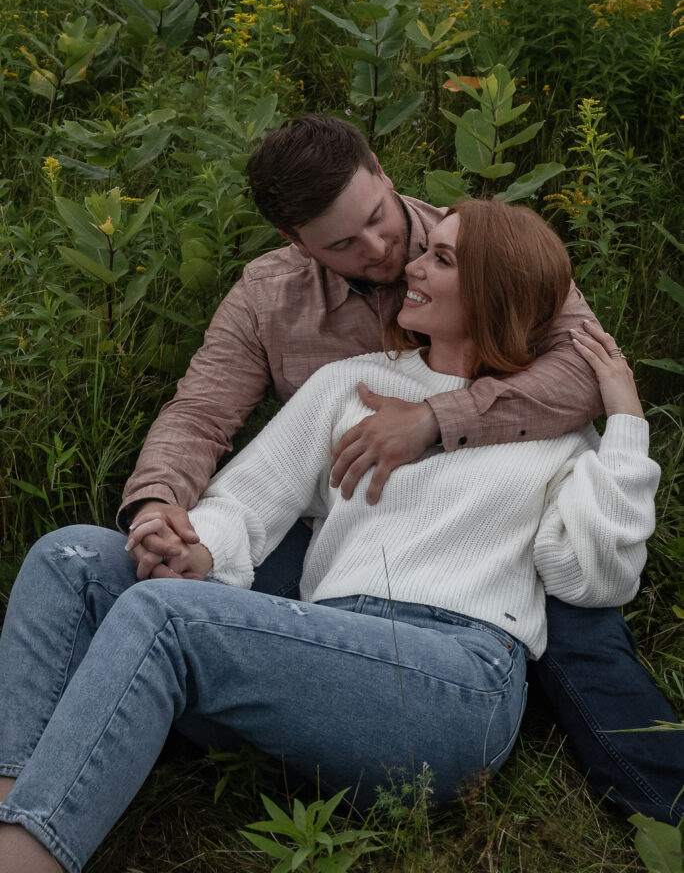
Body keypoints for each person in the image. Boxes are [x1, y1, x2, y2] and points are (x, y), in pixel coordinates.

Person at [0, 202, 662, 873]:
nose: (412, 266)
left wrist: (625, 423)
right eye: (424, 250)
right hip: (320, 648)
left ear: (495, 287)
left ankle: (26, 859)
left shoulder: (546, 425)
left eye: (442, 258)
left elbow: (595, 577)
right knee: (70, 556)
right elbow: (244, 505)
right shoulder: (351, 384)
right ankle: (9, 803)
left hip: (457, 681)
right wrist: (195, 548)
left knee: (163, 616)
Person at [121, 115, 683, 823]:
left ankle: (666, 809)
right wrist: (155, 504)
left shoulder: (480, 243)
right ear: (298, 243)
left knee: (583, 631)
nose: (384, 249)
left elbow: (583, 371)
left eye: (380, 219)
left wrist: (433, 420)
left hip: (494, 514)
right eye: (345, 245)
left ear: (382, 172)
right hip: (342, 520)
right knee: (183, 578)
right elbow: (199, 414)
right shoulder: (267, 297)